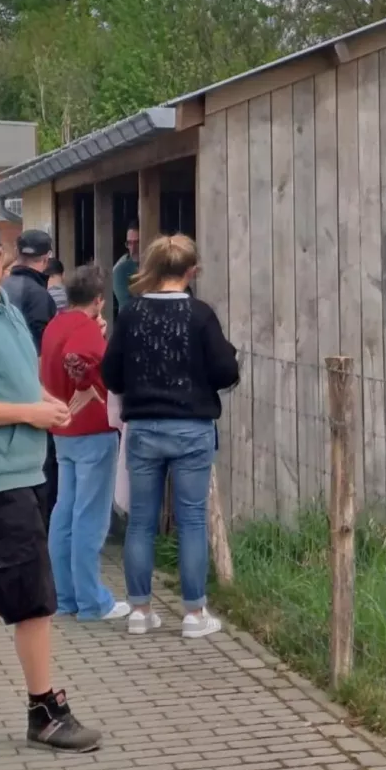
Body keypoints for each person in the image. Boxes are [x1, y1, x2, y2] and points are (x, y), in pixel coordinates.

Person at [0, 218, 101, 752]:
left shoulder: (3, 307)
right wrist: (28, 412)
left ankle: (44, 709)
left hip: (21, 471)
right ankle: (45, 712)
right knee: (34, 601)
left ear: (4, 257)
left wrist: (42, 404)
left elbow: (15, 384)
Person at [102, 233, 239, 640]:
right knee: (192, 519)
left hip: (143, 427)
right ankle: (194, 615)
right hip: (192, 427)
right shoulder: (200, 315)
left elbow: (110, 374)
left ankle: (140, 610)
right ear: (191, 271)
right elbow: (225, 372)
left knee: (141, 520)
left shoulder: (131, 314)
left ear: (154, 269)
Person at [41, 265, 130, 624]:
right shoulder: (86, 328)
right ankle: (94, 602)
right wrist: (83, 388)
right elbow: (77, 357)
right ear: (97, 300)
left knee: (65, 512)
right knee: (89, 518)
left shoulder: (55, 325)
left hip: (62, 431)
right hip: (93, 429)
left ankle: (66, 597)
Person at [3, 230, 59, 525]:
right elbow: (39, 355)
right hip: (30, 395)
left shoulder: (3, 287)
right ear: (47, 257)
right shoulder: (39, 295)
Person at [111, 222, 140, 314]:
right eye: (129, 243)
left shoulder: (157, 263)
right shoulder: (120, 269)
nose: (133, 248)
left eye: (137, 242)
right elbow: (126, 304)